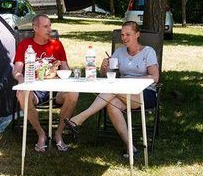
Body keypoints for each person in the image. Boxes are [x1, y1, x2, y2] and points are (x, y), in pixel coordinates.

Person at [64, 21, 159, 156]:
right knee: (112, 104)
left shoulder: (148, 52)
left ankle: (80, 118)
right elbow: (106, 74)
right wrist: (104, 66)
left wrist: (127, 81)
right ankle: (131, 148)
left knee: (113, 88)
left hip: (144, 93)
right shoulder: (119, 52)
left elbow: (154, 77)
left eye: (128, 34)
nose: (124, 38)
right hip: (122, 91)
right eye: (122, 35)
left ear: (137, 34)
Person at [13, 14, 79, 152]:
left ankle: (58, 134)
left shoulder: (57, 44)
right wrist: (20, 79)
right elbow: (17, 71)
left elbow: (65, 68)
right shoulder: (25, 45)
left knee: (73, 94)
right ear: (35, 28)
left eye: (50, 26)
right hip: (36, 88)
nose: (50, 29)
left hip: (56, 88)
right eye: (45, 26)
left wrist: (67, 72)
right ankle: (41, 133)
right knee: (23, 95)